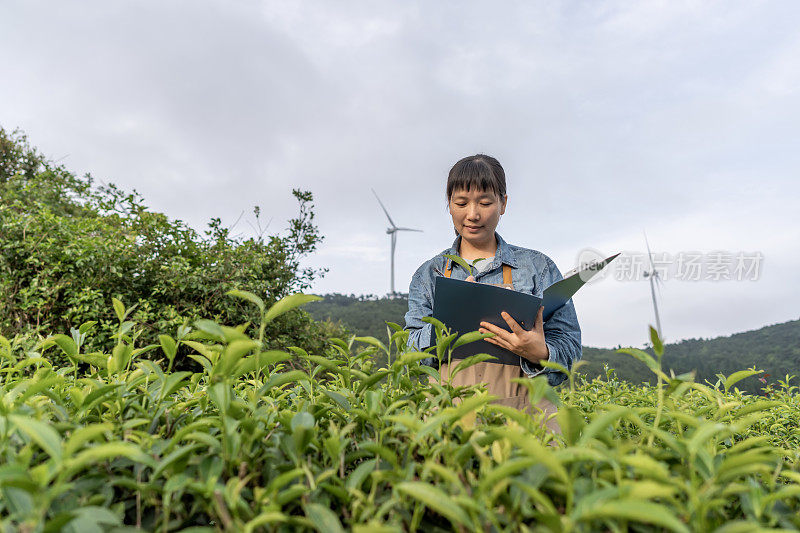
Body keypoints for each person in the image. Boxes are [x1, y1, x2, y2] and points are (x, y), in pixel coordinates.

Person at [403, 154, 581, 432]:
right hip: (448, 418)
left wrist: (540, 352)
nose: (473, 214)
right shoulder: (430, 274)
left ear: (503, 204)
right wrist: (451, 323)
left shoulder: (537, 268)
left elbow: (569, 348)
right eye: (461, 203)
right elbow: (409, 355)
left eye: (485, 203)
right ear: (449, 205)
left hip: (528, 419)